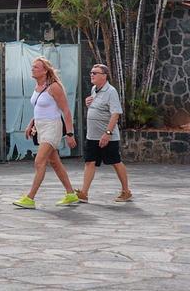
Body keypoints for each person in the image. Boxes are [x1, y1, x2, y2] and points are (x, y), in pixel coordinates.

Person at [12, 56, 79, 209]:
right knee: (55, 162)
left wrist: (69, 133)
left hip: (52, 127)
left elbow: (66, 111)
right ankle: (70, 194)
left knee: (39, 161)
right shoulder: (37, 88)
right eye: (33, 66)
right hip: (40, 127)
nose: (32, 69)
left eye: (36, 67)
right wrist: (31, 124)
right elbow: (39, 109)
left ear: (44, 71)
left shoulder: (54, 87)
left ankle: (30, 198)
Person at [77, 63, 132, 203]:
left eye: (95, 73)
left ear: (104, 76)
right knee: (89, 162)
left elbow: (115, 114)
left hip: (107, 136)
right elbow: (98, 108)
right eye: (91, 72)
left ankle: (126, 191)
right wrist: (88, 103)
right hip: (92, 136)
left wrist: (107, 133)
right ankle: (84, 192)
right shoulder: (94, 89)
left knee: (115, 162)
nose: (92, 75)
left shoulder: (111, 91)